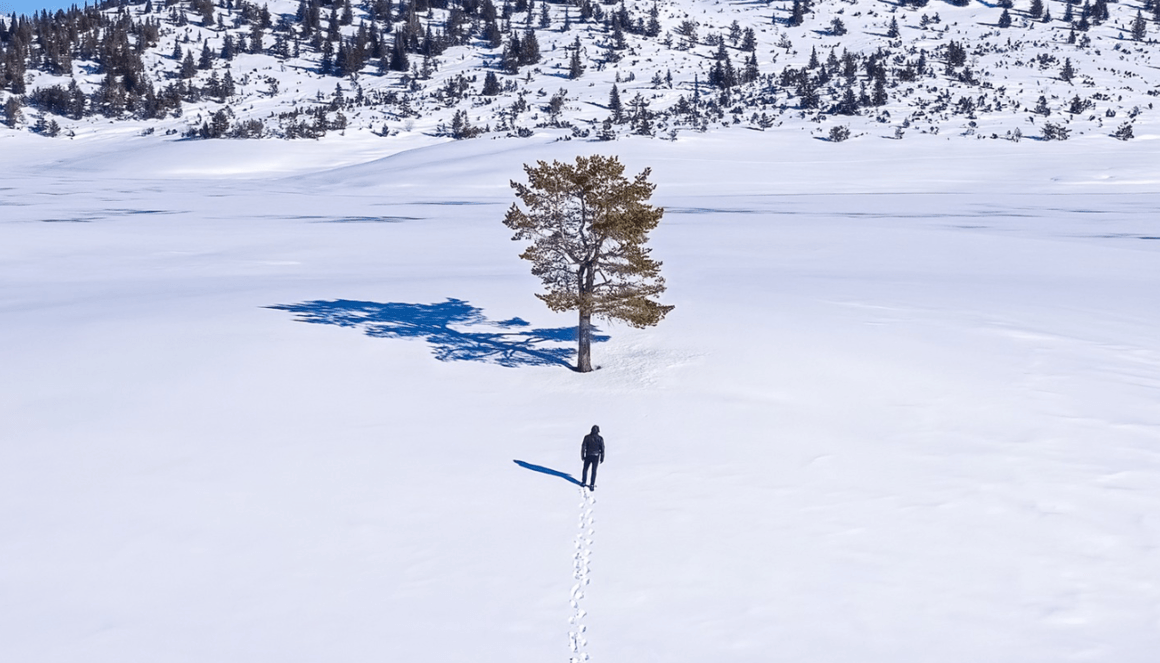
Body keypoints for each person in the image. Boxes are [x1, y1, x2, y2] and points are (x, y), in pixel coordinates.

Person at [581, 425, 604, 490]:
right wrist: (602, 457)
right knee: (594, 471)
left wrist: (582, 455)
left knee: (585, 469)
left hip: (588, 455)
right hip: (596, 456)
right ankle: (592, 485)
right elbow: (602, 448)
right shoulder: (600, 438)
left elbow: (583, 446)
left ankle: (583, 482)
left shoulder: (587, 437)